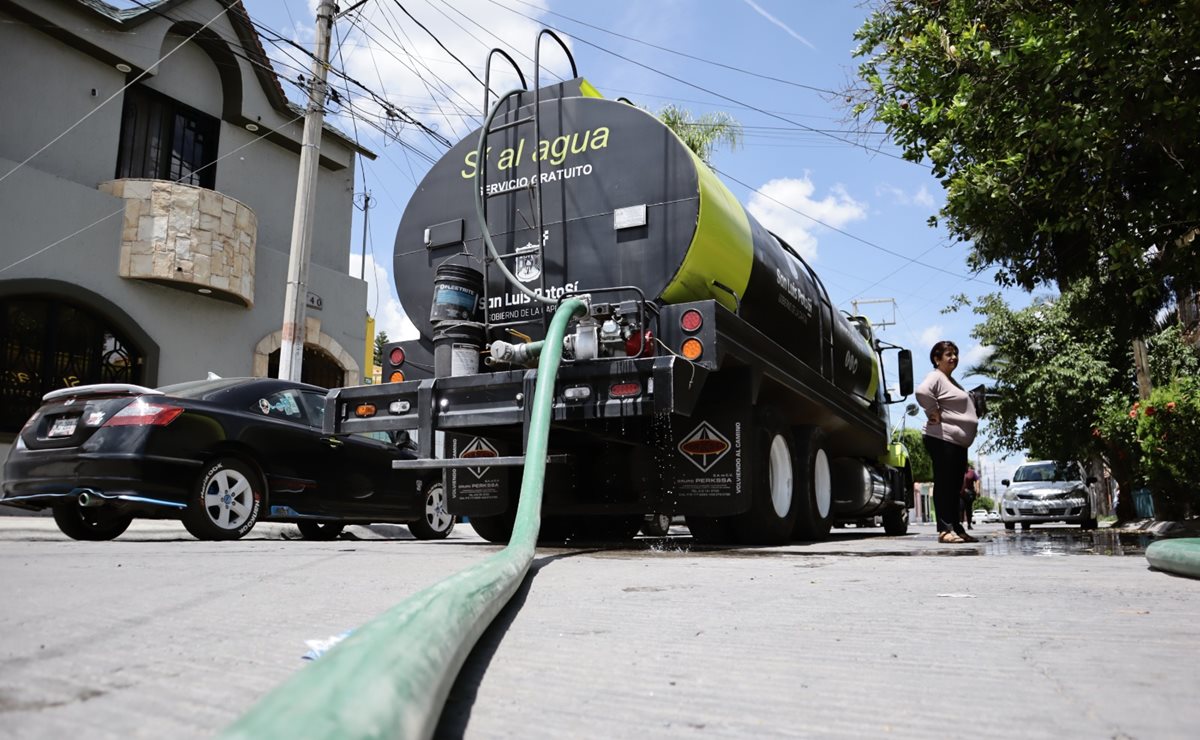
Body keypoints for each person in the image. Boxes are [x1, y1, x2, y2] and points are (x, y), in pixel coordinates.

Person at [915, 340, 980, 544]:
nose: (953, 358)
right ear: (937, 359)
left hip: (956, 442)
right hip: (942, 438)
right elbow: (922, 392)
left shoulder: (950, 381)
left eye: (955, 354)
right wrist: (932, 411)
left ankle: (956, 527)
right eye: (948, 354)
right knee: (944, 484)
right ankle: (944, 529)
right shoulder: (936, 376)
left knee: (954, 487)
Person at [961, 464, 980, 529]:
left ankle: (969, 524)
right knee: (961, 508)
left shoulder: (972, 472)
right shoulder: (959, 472)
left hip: (969, 494)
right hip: (961, 493)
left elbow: (977, 480)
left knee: (968, 509)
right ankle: (960, 523)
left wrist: (977, 489)